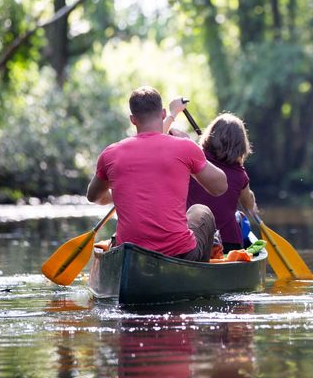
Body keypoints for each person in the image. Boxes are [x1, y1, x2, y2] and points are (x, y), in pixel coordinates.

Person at [86, 86, 228, 261]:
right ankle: (199, 273)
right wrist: (195, 152)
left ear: (133, 120)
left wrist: (119, 193)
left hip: (131, 255)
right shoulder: (185, 147)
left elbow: (94, 197)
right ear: (162, 113)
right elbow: (220, 187)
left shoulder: (110, 154)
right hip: (180, 253)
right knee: (200, 211)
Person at [171, 112, 259, 254]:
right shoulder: (241, 175)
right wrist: (252, 205)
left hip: (195, 239)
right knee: (240, 219)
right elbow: (248, 204)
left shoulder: (194, 160)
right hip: (230, 244)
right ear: (242, 145)